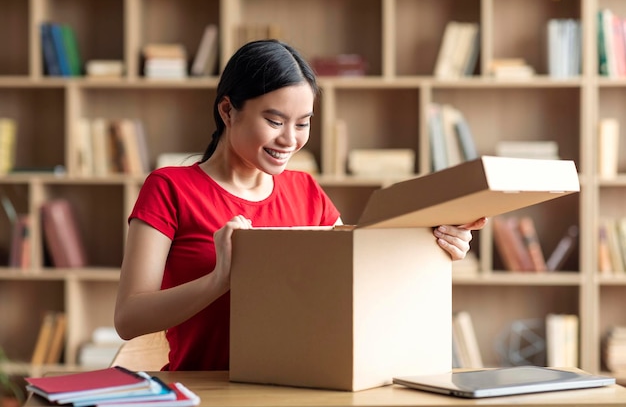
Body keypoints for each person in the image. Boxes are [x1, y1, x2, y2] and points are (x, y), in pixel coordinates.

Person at [114, 39, 487, 371]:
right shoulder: (169, 188)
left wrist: (435, 244)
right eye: (275, 121)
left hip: (300, 388)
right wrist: (219, 280)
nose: (290, 140)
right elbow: (128, 319)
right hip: (208, 391)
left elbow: (362, 277)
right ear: (227, 111)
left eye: (303, 123)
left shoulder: (306, 190)